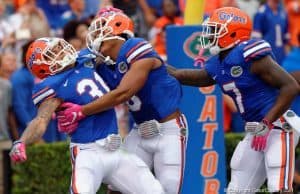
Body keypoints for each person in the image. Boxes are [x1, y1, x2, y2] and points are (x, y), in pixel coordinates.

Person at [167, 7, 300, 193]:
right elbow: (186, 76)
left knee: (278, 186)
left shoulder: (251, 56)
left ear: (233, 33)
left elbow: (291, 86)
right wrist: (155, 64)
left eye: (215, 30)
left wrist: (267, 122)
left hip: (278, 125)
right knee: (238, 188)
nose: (210, 34)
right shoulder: (218, 63)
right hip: (257, 128)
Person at [57, 7, 187, 194]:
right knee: (118, 187)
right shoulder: (102, 64)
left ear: (118, 28)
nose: (94, 33)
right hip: (139, 130)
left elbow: (123, 93)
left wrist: (80, 111)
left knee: (167, 189)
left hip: (168, 130)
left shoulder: (136, 46)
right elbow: (69, 71)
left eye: (101, 27)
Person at [9, 37, 164, 194]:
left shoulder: (86, 58)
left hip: (116, 149)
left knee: (154, 190)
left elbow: (111, 57)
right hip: (88, 151)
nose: (61, 50)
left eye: (59, 46)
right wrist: (22, 141)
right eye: (53, 52)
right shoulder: (52, 85)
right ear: (42, 67)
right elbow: (41, 120)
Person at [252, 0, 289, 65]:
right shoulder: (261, 12)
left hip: (281, 52)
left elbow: (286, 37)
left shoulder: (283, 12)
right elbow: (256, 39)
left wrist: (287, 53)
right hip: (267, 52)